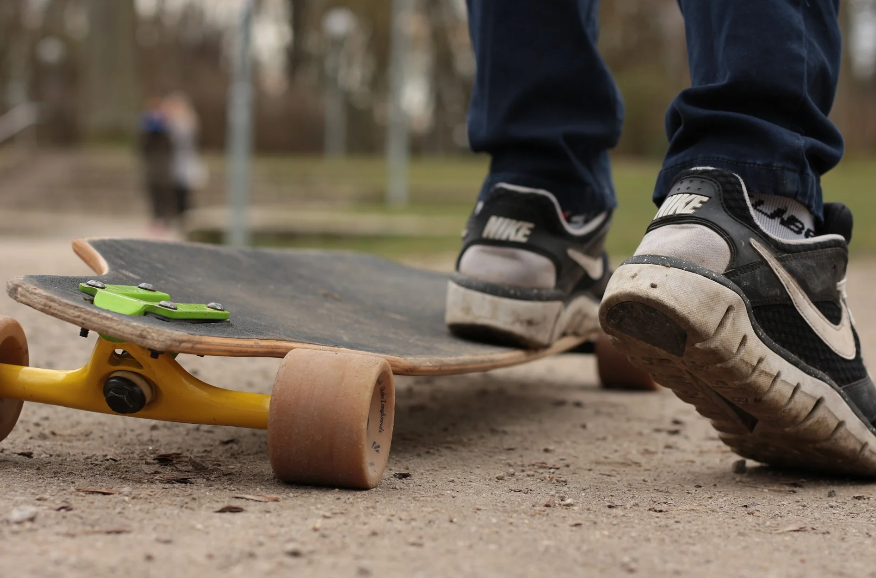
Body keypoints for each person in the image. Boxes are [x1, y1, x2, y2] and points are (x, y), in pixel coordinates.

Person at [445, 0, 876, 476]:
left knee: (540, 171)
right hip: (746, 211)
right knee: (753, 155)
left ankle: (534, 208)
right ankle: (759, 197)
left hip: (508, 194)